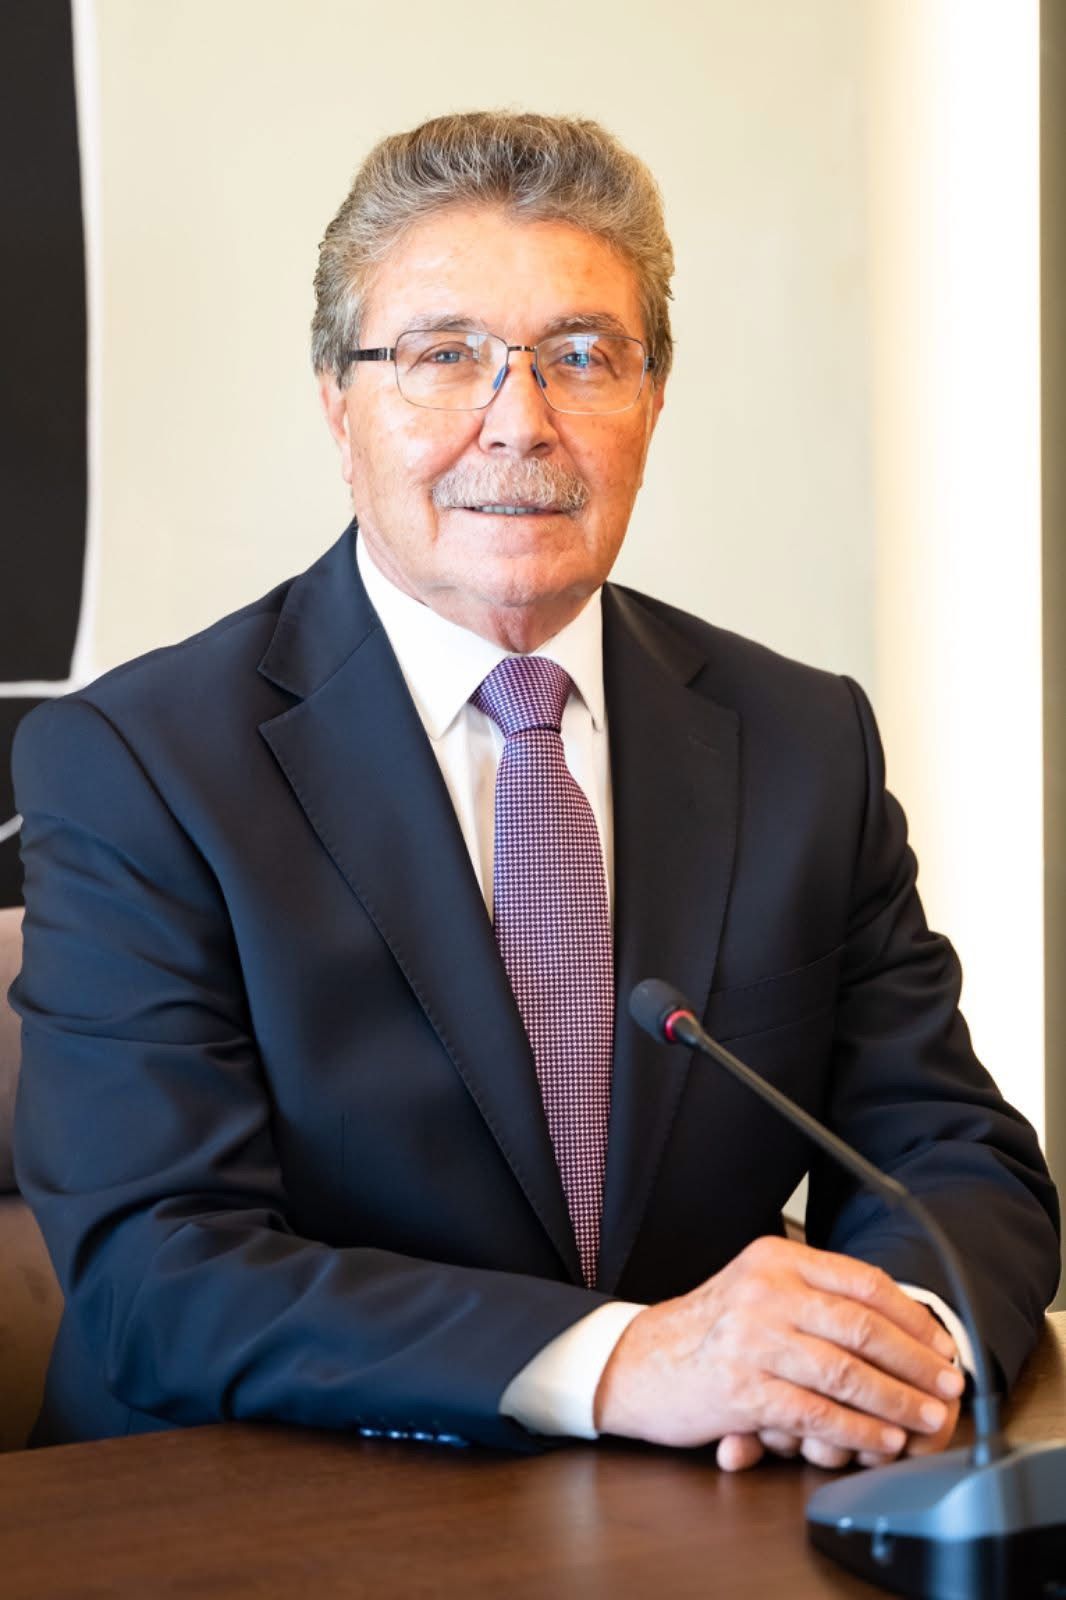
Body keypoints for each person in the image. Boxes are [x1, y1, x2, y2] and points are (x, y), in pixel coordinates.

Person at [11, 111, 1059, 1472]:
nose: (520, 423)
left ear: (652, 401)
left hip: (704, 1499)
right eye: (444, 356)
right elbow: (159, 1272)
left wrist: (882, 1346)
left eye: (582, 356)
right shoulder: (142, 763)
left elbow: (949, 1153)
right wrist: (623, 1361)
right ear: (338, 404)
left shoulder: (802, 739)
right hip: (262, 1506)